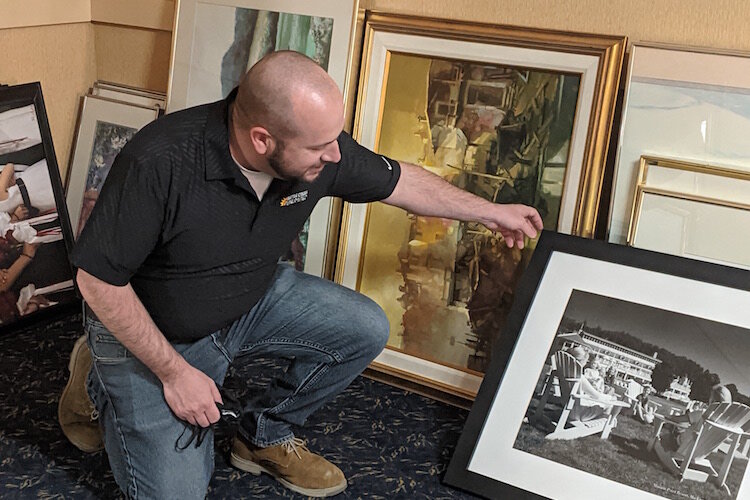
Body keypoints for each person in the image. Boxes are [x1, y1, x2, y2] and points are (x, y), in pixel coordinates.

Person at [61, 51, 543, 499]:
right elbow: (98, 281)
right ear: (261, 140)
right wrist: (174, 374)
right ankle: (96, 376)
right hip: (155, 333)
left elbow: (400, 180)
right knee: (178, 493)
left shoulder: (318, 153)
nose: (335, 156)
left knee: (365, 327)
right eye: (319, 146)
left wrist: (489, 212)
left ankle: (262, 436)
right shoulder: (159, 162)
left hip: (246, 300)